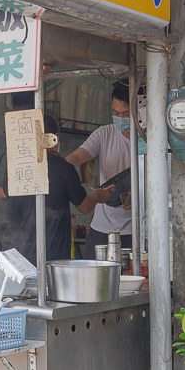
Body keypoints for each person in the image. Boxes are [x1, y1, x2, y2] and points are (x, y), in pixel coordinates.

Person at [1, 114, 112, 263]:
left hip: (15, 257)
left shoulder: (14, 169)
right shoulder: (63, 168)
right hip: (51, 258)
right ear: (55, 138)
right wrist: (98, 195)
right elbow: (85, 207)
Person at [66, 81, 134, 252]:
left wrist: (138, 196)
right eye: (115, 112)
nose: (120, 118)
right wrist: (62, 167)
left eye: (126, 113)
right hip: (102, 230)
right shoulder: (104, 134)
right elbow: (76, 157)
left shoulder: (153, 139)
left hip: (138, 231)